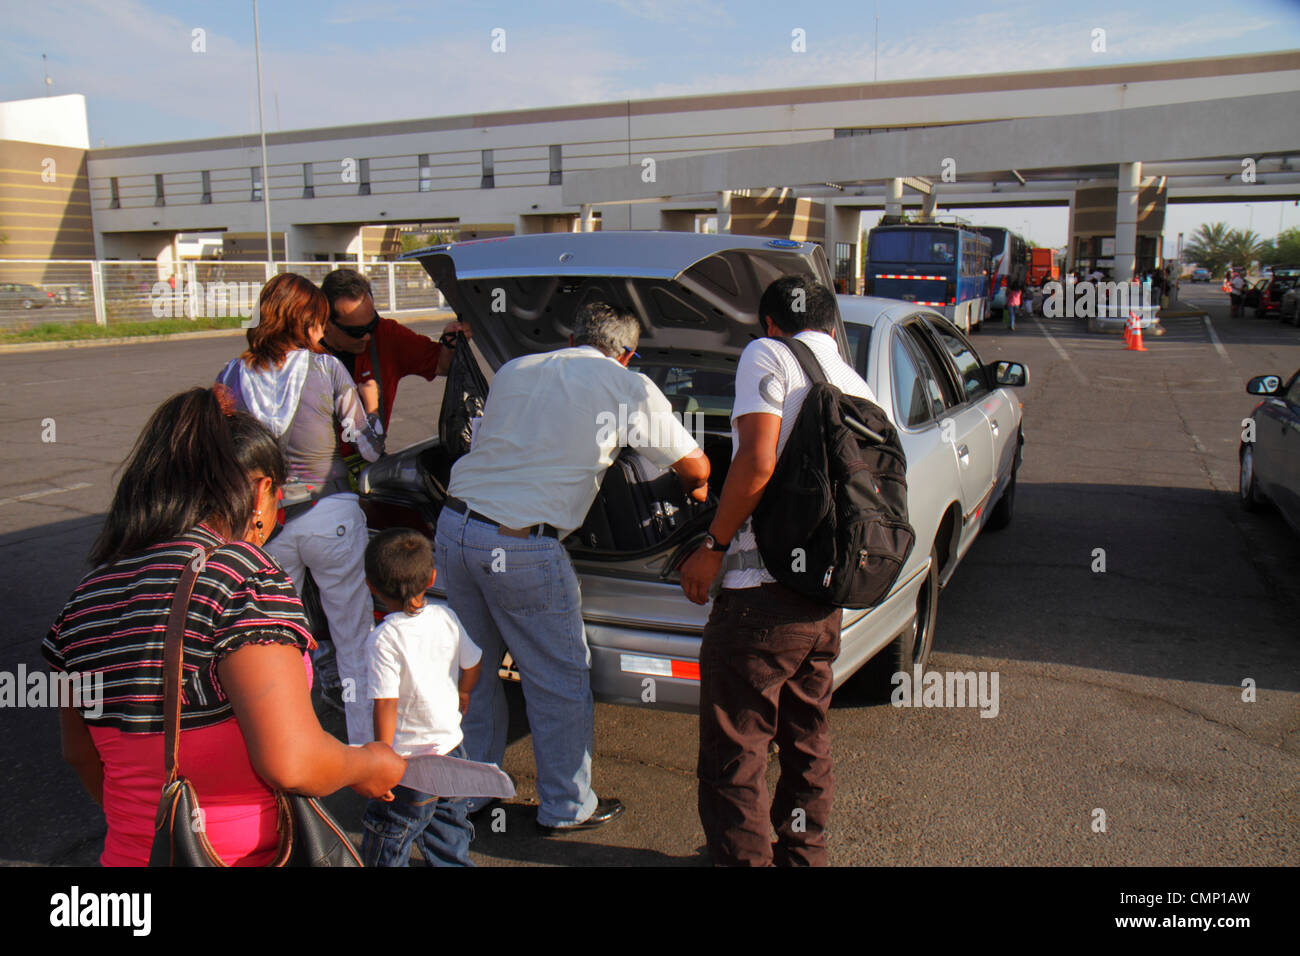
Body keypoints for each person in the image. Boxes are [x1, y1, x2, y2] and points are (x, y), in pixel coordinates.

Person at [43, 386, 406, 867]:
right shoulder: (241, 577)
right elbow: (291, 762)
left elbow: (81, 755)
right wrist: (368, 764)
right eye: (279, 495)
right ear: (260, 492)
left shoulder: (86, 595)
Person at [436, 301, 711, 833]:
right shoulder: (628, 386)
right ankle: (566, 807)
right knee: (556, 679)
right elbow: (695, 465)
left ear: (570, 337)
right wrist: (697, 487)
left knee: (474, 669)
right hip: (521, 547)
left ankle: (471, 794)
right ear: (627, 354)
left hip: (455, 528)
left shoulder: (517, 368)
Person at [678, 275, 881, 867]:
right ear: (830, 324)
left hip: (760, 596)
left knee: (735, 749)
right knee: (805, 738)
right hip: (823, 598)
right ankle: (802, 855)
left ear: (771, 323)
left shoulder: (767, 353)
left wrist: (713, 544)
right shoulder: (852, 379)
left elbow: (757, 460)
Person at [216, 273, 385, 746]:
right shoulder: (328, 369)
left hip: (263, 525)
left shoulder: (231, 376)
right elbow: (367, 448)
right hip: (329, 513)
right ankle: (362, 747)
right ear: (306, 322)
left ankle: (284, 746)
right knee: (352, 638)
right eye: (320, 321)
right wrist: (373, 410)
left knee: (275, 642)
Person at [360, 529, 483, 867]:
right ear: (431, 577)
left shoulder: (384, 639)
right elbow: (473, 663)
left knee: (390, 832)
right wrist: (464, 691)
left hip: (409, 762)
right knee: (449, 830)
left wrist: (381, 760)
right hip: (452, 751)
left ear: (371, 585)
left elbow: (386, 702)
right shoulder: (447, 617)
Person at [318, 267, 470, 442]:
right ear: (326, 323)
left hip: (370, 460)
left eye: (372, 324)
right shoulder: (302, 353)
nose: (367, 336)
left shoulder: (387, 335)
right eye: (356, 331)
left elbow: (442, 366)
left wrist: (450, 344)